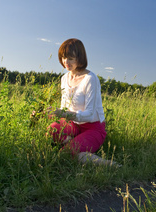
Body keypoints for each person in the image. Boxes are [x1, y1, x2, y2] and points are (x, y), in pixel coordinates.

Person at [45, 38, 119, 167]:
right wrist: (48, 113)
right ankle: (74, 143)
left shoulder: (91, 79)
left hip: (93, 127)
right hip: (73, 124)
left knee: (67, 154)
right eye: (63, 57)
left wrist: (62, 113)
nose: (65, 62)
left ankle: (110, 165)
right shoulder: (64, 78)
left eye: (70, 58)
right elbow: (64, 108)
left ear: (80, 58)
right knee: (50, 131)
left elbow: (90, 115)